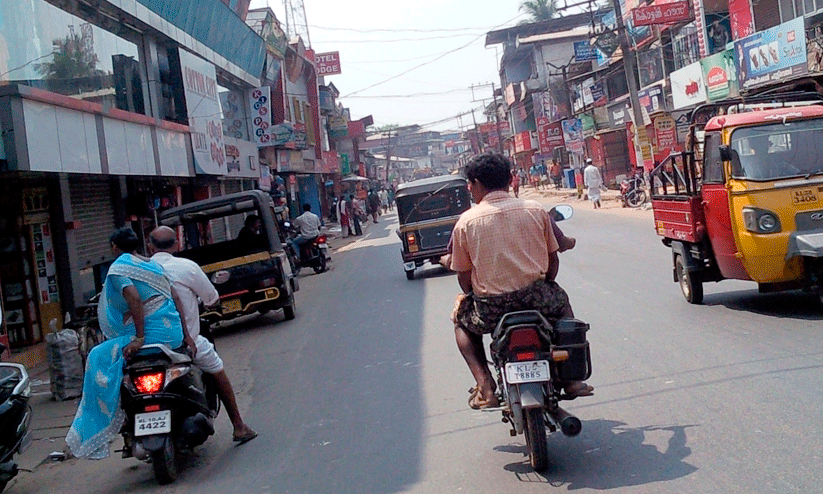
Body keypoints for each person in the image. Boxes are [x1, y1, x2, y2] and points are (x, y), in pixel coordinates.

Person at [449, 153, 592, 410]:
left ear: (478, 183)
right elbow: (552, 258)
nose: (469, 188)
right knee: (564, 311)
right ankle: (570, 379)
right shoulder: (535, 210)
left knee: (461, 322)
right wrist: (547, 283)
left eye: (470, 183)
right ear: (509, 180)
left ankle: (486, 386)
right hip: (538, 299)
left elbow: (463, 274)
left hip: (491, 309)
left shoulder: (465, 222)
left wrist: (472, 295)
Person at [66, 228, 195, 459]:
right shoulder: (152, 264)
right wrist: (187, 335)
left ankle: (110, 421)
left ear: (114, 246)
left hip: (148, 335)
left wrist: (139, 338)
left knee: (97, 356)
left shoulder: (118, 269)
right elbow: (175, 297)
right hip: (172, 334)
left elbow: (134, 297)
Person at [148, 227, 258, 445]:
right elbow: (211, 297)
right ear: (176, 244)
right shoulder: (186, 267)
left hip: (146, 347)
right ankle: (238, 425)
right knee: (216, 368)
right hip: (183, 344)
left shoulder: (140, 270)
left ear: (150, 246)